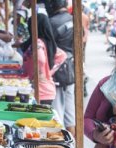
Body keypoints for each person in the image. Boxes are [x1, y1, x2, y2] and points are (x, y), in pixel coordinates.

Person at [45, 0, 76, 138]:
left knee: (57, 111)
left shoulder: (51, 22)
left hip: (57, 70)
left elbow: (49, 48)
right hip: (71, 68)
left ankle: (61, 144)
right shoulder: (75, 20)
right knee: (70, 111)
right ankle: (72, 143)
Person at [22, 13, 65, 105]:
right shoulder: (47, 42)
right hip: (46, 90)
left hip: (40, 91)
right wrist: (48, 72)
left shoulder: (38, 42)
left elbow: (41, 59)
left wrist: (40, 73)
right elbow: (62, 55)